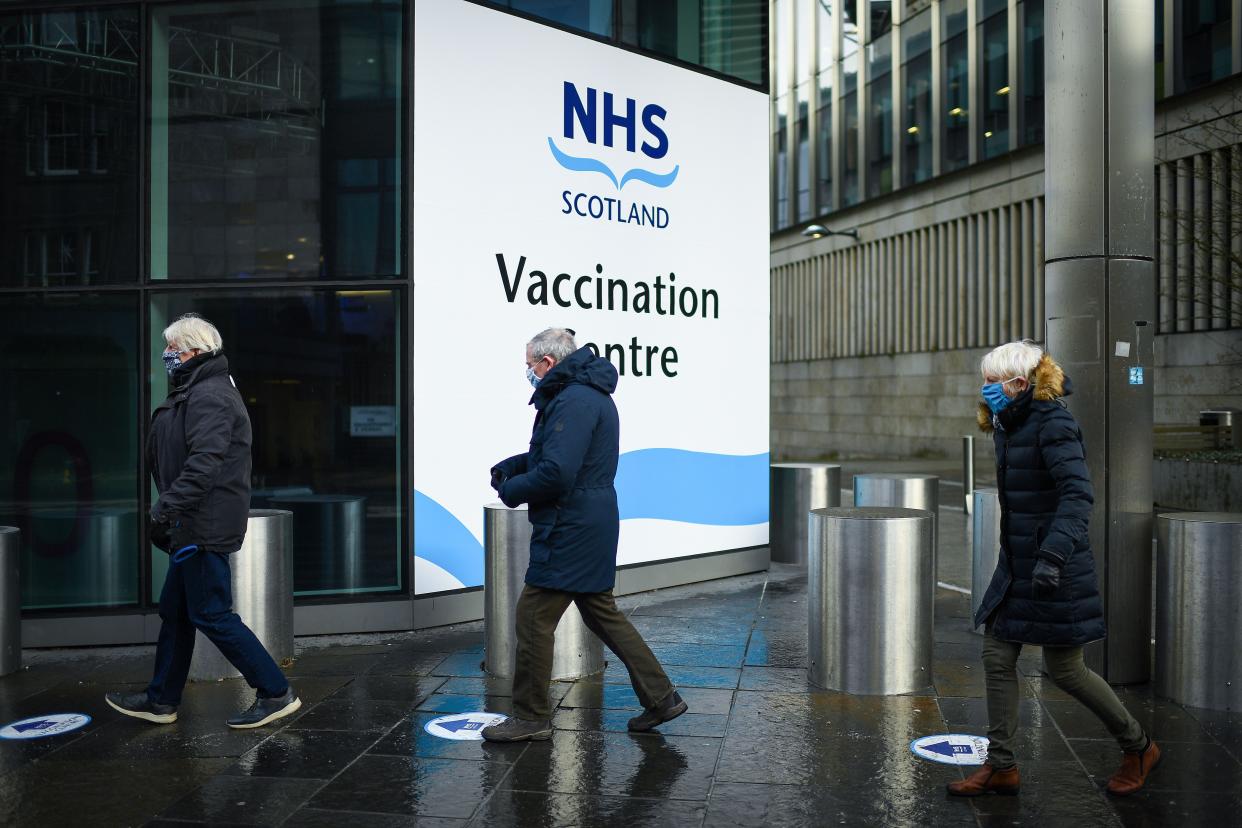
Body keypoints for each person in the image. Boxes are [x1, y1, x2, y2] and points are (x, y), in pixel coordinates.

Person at [948, 341, 1160, 798]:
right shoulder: (1010, 422)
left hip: (1053, 565)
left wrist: (1052, 556)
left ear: (1020, 384)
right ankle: (1002, 765)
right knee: (997, 656)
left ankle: (1139, 746)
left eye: (992, 382)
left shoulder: (1054, 423)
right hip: (1020, 562)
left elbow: (1078, 495)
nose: (986, 390)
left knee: (1066, 669)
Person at [481, 328, 687, 742]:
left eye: (529, 365)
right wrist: (516, 466)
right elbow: (556, 456)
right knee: (601, 613)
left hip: (569, 525)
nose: (528, 372)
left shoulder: (573, 400)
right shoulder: (584, 394)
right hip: (587, 520)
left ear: (548, 363)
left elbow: (558, 473)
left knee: (534, 619)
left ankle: (531, 716)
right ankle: (662, 698)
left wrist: (511, 490)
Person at [106, 314, 300, 729]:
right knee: (176, 612)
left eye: (174, 348)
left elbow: (204, 464)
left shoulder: (209, 395)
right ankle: (161, 700)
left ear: (195, 350)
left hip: (202, 524)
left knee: (212, 613)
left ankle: (275, 691)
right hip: (191, 522)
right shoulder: (195, 391)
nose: (168, 356)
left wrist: (166, 507)